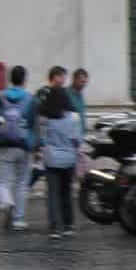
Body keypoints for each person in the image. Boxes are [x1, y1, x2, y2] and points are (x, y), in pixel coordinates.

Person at [0, 65, 38, 230]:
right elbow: (33, 124)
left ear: (11, 78)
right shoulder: (30, 99)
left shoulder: (0, 96)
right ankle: (19, 219)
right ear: (24, 80)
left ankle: (6, 202)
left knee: (3, 180)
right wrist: (34, 144)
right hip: (23, 144)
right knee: (22, 183)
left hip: (5, 144)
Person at [36, 79, 82, 238]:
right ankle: (68, 225)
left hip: (51, 159)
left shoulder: (45, 118)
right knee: (66, 192)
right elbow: (76, 140)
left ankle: (55, 227)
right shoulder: (74, 117)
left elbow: (42, 139)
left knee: (53, 193)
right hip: (68, 159)